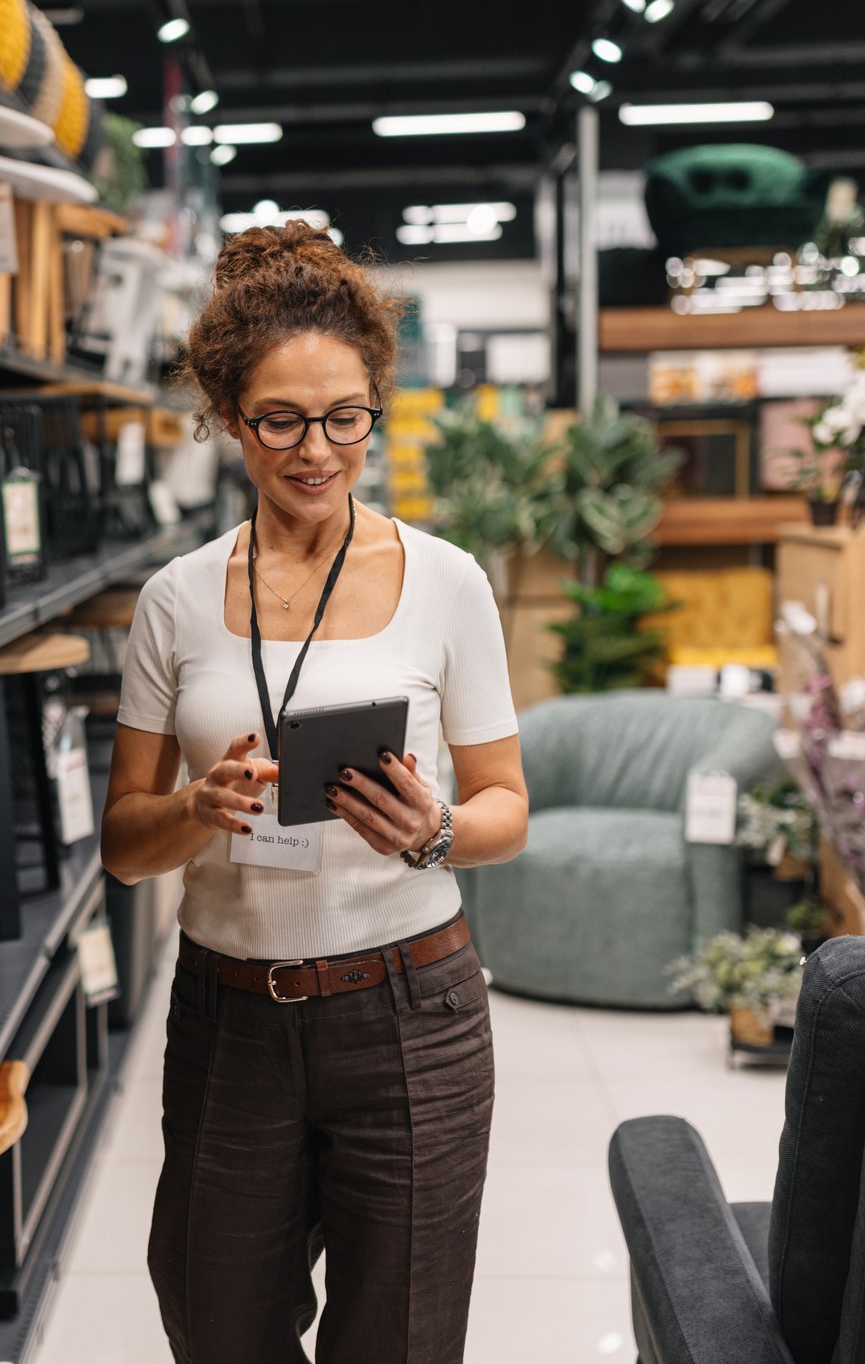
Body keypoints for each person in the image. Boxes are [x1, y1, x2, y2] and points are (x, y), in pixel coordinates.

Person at [101, 222, 530, 1364]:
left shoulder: (447, 582)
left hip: (412, 1014)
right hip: (230, 1014)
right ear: (229, 416)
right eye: (281, 420)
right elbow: (122, 843)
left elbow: (505, 806)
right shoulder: (176, 602)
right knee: (215, 1323)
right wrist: (195, 810)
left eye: (346, 417)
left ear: (375, 403)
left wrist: (435, 830)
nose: (317, 450)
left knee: (398, 1339)